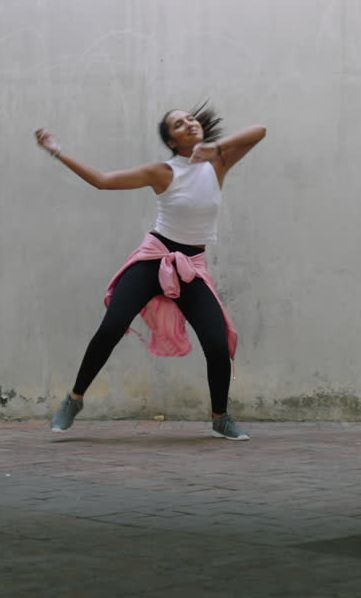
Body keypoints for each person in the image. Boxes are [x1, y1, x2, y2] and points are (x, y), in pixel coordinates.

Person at [34, 102, 266, 440]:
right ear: (172, 141)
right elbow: (102, 181)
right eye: (177, 124)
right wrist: (58, 153)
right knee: (112, 325)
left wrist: (216, 147)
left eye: (189, 118)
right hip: (154, 258)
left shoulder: (218, 163)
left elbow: (260, 131)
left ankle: (220, 417)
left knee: (217, 343)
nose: (187, 123)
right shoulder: (162, 171)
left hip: (192, 266)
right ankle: (74, 400)